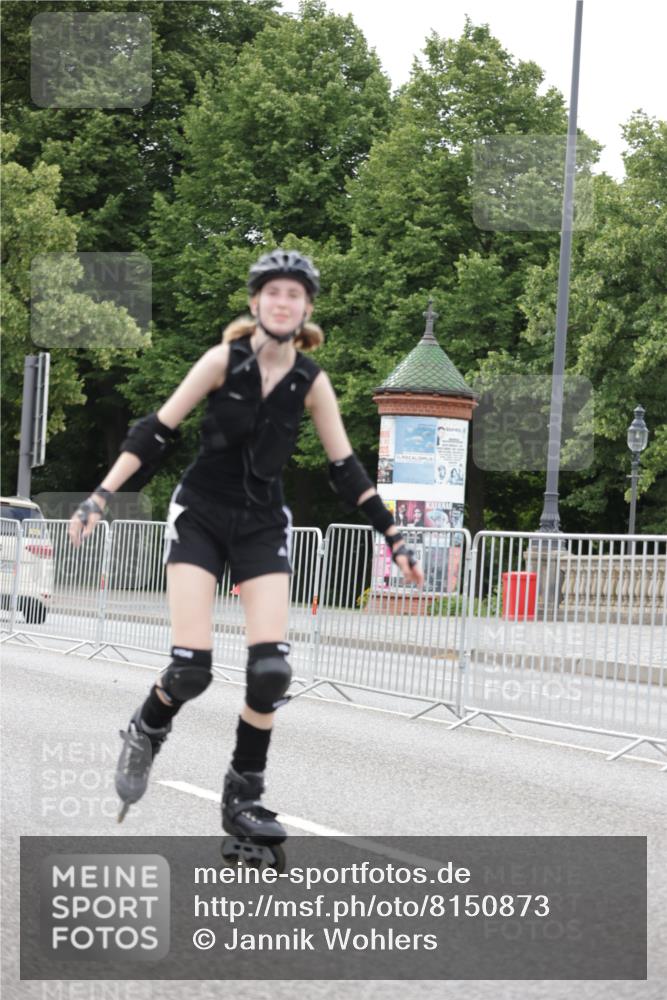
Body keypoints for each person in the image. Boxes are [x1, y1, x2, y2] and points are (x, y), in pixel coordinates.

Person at [68, 248, 424, 852]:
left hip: (261, 522)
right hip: (201, 516)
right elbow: (154, 432)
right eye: (273, 292)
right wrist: (99, 496)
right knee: (191, 670)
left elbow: (345, 469)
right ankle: (147, 726)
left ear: (306, 308)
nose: (283, 303)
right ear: (256, 302)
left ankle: (244, 798)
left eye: (295, 295)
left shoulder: (312, 382)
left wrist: (392, 533)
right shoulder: (220, 361)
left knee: (270, 672)